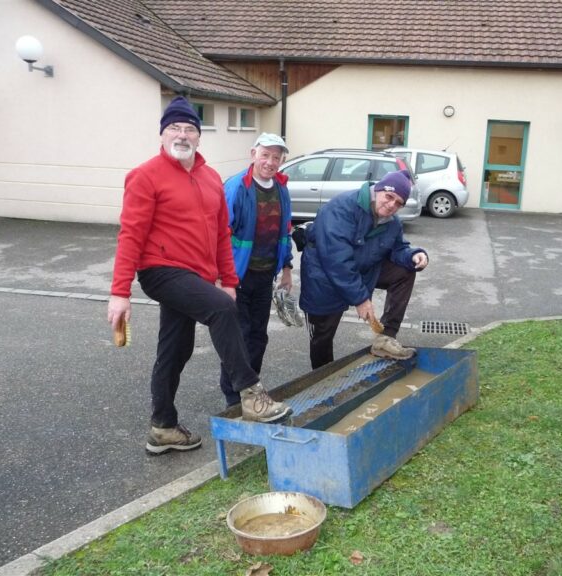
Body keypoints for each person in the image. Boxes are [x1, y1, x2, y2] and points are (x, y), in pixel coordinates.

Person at [107, 96, 292, 456]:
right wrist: (120, 292)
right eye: (174, 128)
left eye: (189, 128)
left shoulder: (209, 178)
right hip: (161, 270)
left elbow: (223, 235)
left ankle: (162, 427)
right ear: (162, 135)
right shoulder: (145, 176)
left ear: (198, 137)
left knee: (176, 349)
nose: (182, 134)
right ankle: (251, 395)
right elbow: (130, 234)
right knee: (222, 310)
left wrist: (229, 281)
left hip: (198, 276)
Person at [299, 169, 429, 369]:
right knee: (322, 336)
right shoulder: (342, 208)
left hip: (362, 270)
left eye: (399, 203)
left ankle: (385, 339)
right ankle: (323, 378)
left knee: (405, 271)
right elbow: (336, 259)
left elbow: (397, 248)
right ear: (377, 190)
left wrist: (413, 255)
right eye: (389, 196)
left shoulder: (392, 222)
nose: (392, 204)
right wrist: (360, 298)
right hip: (323, 276)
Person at [219, 133, 294, 407]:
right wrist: (222, 278)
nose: (270, 162)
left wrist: (286, 269)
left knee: (258, 336)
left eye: (276, 157)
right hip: (237, 277)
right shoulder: (237, 186)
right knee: (238, 336)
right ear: (253, 154)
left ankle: (251, 386)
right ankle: (233, 396)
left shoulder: (281, 188)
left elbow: (285, 232)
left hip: (265, 276)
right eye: (265, 155)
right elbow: (220, 234)